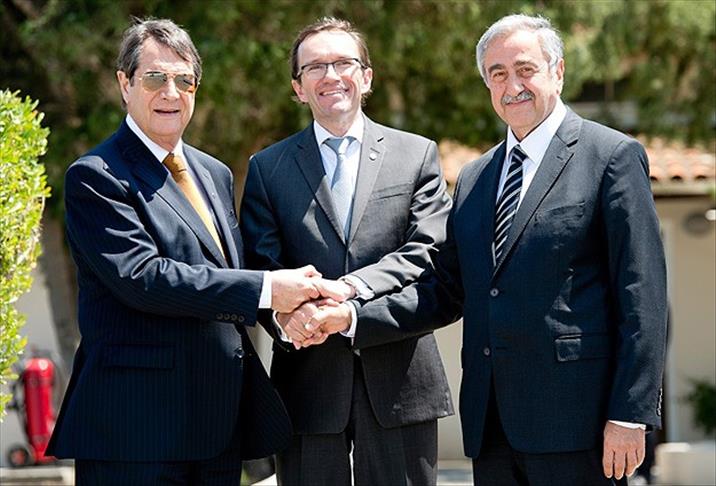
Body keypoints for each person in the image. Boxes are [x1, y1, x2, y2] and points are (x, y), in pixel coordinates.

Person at [312, 13, 667, 486]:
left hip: (579, 425)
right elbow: (444, 290)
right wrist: (351, 317)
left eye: (525, 69)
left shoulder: (611, 156)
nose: (512, 85)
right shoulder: (476, 178)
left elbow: (642, 294)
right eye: (497, 74)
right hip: (492, 425)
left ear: (558, 72)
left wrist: (630, 413)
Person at [47, 18, 338, 485]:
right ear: (124, 84)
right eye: (155, 78)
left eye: (184, 80)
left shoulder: (213, 172)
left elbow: (230, 272)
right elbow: (145, 278)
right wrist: (268, 290)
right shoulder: (97, 176)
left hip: (216, 427)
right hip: (136, 431)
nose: (171, 93)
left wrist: (289, 313)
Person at [239, 17, 454, 486]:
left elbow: (427, 249)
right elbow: (261, 266)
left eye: (343, 63)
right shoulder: (268, 168)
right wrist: (289, 319)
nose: (331, 75)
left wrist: (351, 289)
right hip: (308, 387)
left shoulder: (415, 155)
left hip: (400, 385)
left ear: (367, 77)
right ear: (298, 88)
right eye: (315, 67)